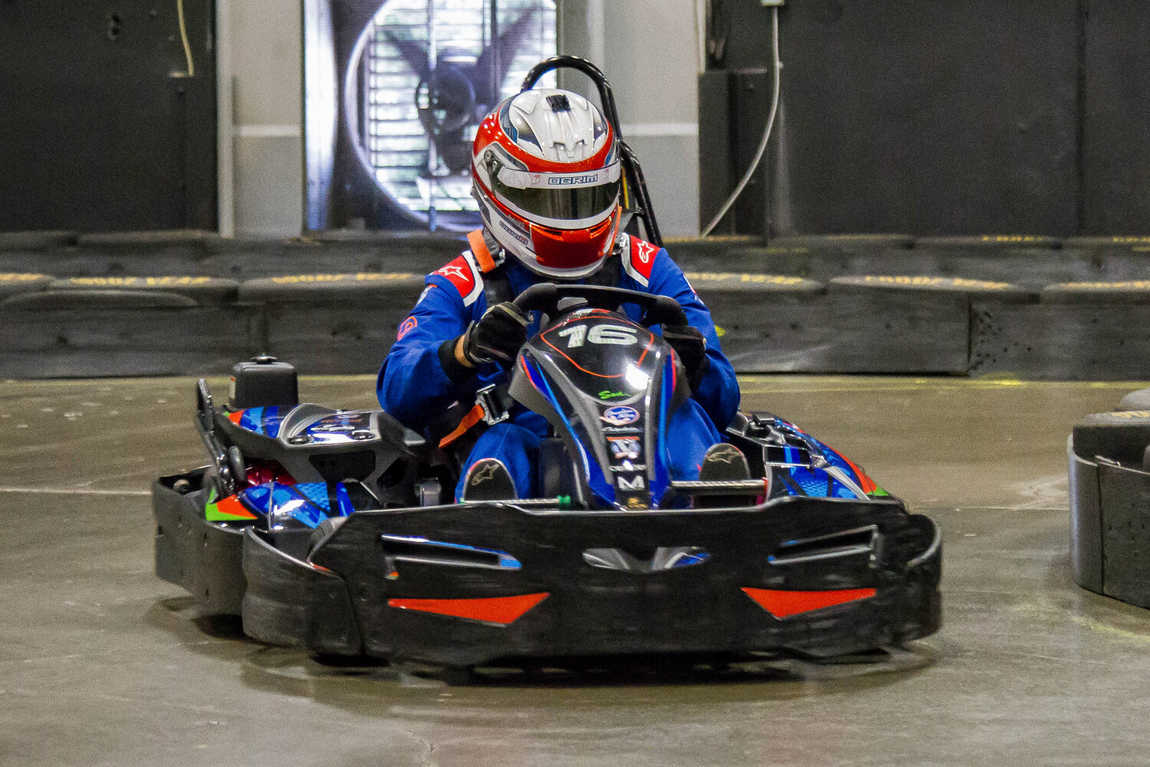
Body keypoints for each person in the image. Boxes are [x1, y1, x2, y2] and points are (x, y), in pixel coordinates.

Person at [377, 87, 743, 502]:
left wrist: (696, 366)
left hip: (643, 440)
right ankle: (490, 521)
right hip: (533, 457)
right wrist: (465, 351)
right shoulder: (466, 280)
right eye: (546, 198)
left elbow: (725, 396)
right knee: (504, 442)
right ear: (498, 190)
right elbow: (397, 386)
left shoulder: (646, 267)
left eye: (581, 197)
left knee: (688, 418)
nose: (569, 218)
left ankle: (717, 506)